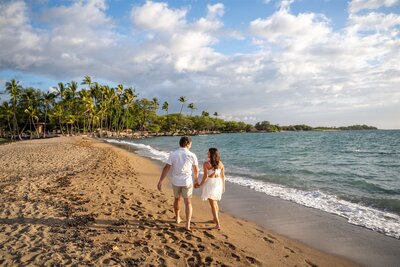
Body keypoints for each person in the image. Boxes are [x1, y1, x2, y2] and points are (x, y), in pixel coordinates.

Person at [157, 136, 199, 231]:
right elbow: (196, 169)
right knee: (188, 202)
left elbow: (166, 167)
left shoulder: (173, 154)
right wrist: (196, 180)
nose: (191, 145)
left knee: (177, 199)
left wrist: (160, 181)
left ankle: (177, 218)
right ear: (188, 144)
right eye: (190, 144)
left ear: (180, 144)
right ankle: (187, 224)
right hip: (187, 181)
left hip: (176, 181)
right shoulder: (192, 155)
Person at [197, 148, 225, 230]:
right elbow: (223, 176)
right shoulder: (221, 163)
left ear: (211, 154)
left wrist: (200, 184)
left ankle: (218, 224)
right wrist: (223, 186)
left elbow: (206, 177)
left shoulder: (206, 163)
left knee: (212, 204)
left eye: (208, 152)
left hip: (210, 183)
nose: (207, 153)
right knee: (215, 203)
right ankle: (214, 219)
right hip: (218, 183)